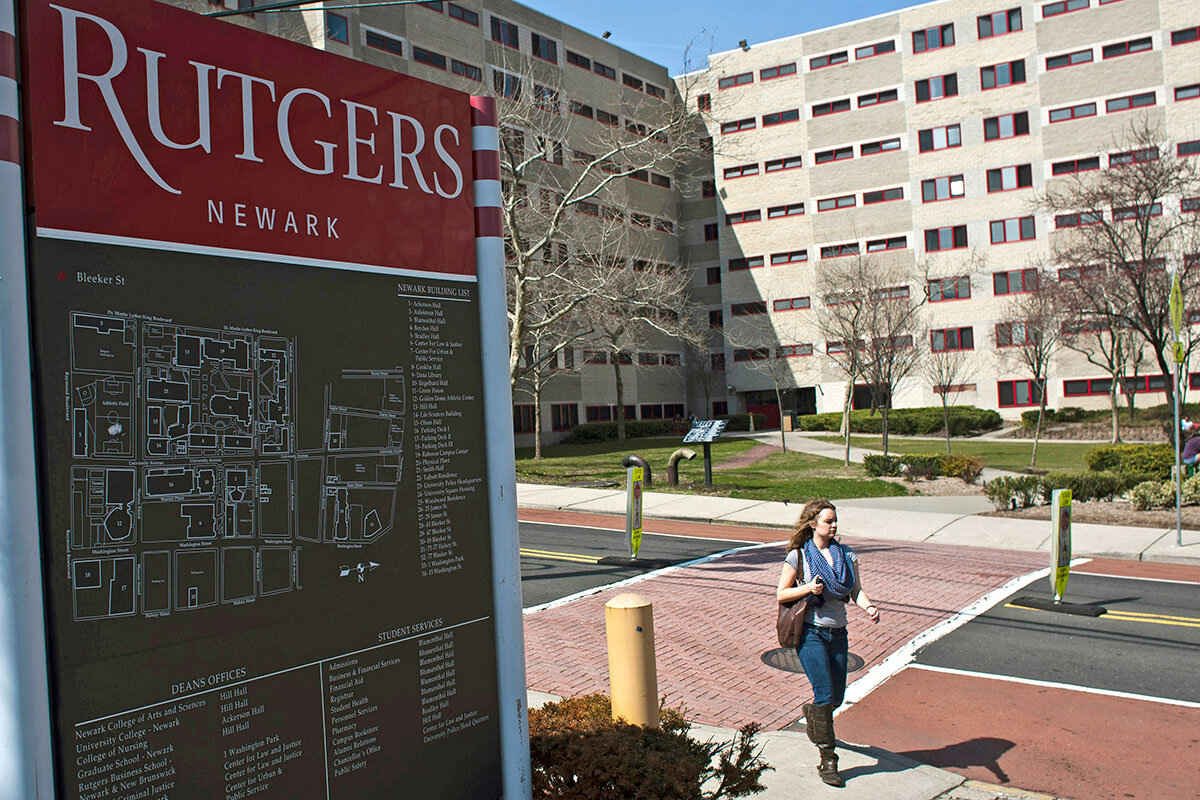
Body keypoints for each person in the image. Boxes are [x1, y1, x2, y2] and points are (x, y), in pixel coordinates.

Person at [776, 498, 880, 787]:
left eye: (835, 521)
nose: (833, 525)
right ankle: (828, 759)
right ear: (812, 524)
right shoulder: (799, 556)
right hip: (811, 633)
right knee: (824, 695)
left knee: (836, 697)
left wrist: (869, 607)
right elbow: (781, 594)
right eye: (828, 521)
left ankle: (812, 715)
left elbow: (856, 590)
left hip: (838, 634)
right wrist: (809, 588)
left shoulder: (847, 555)